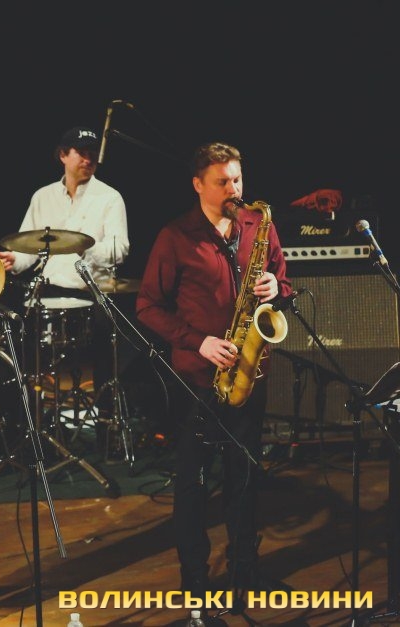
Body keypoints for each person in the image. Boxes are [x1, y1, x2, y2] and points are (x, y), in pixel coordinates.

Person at [135, 142, 293, 601]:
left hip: (249, 372)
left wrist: (276, 287)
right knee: (194, 485)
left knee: (245, 478)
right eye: (222, 182)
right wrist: (198, 341)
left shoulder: (259, 224)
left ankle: (245, 571)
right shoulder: (175, 236)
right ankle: (195, 581)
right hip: (197, 379)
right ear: (197, 185)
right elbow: (147, 306)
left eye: (237, 179)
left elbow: (284, 284)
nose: (234, 189)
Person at [0, 125, 129, 446]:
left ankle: (106, 427)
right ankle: (30, 426)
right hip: (50, 291)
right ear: (63, 156)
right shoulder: (42, 197)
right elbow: (28, 248)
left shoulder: (109, 197)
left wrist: (84, 247)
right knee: (19, 344)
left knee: (107, 348)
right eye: (81, 153)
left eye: (92, 153)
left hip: (90, 293)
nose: (88, 159)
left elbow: (120, 248)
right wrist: (14, 260)